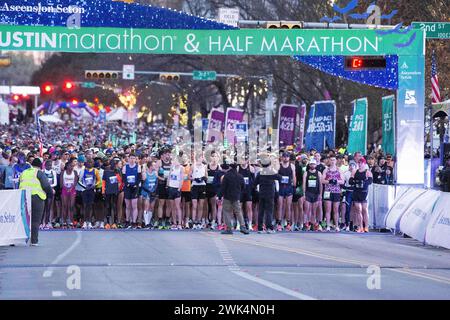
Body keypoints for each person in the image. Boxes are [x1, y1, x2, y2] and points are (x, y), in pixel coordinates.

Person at [19, 158, 53, 246]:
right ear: (41, 166)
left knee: (23, 219)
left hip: (24, 197)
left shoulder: (24, 172)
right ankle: (34, 241)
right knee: (35, 220)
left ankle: (20, 239)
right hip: (36, 197)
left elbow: (19, 183)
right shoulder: (39, 173)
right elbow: (46, 186)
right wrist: (50, 194)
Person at [254, 154, 281, 234]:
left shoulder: (260, 173)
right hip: (270, 194)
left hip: (261, 193)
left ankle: (260, 228)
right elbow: (280, 177)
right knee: (269, 211)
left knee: (261, 211)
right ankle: (269, 227)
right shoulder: (271, 172)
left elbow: (255, 183)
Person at [220, 161, 249, 235]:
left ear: (230, 167)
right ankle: (242, 226)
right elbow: (243, 186)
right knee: (238, 212)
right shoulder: (240, 176)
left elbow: (223, 187)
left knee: (227, 212)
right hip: (236, 197)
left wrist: (219, 195)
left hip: (227, 196)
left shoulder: (226, 176)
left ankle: (229, 228)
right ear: (237, 167)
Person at [322, 156, 345, 232]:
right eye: (331, 160)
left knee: (336, 209)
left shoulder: (339, 170)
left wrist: (336, 181)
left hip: (336, 191)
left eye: (334, 160)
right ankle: (328, 225)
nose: (332, 161)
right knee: (328, 209)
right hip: (328, 191)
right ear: (329, 161)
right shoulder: (326, 170)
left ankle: (336, 226)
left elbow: (342, 181)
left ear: (336, 161)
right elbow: (322, 180)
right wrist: (329, 181)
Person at [350, 158, 373, 233]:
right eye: (358, 163)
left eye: (361, 163)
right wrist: (356, 182)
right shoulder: (354, 171)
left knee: (364, 209)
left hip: (364, 192)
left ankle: (366, 226)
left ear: (364, 164)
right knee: (358, 210)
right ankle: (360, 227)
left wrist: (363, 182)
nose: (359, 164)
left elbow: (370, 181)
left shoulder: (367, 172)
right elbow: (350, 181)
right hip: (356, 192)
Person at [276, 152, 296, 231]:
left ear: (289, 158)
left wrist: (294, 186)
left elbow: (294, 177)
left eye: (287, 157)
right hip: (281, 187)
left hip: (288, 187)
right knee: (280, 206)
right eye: (284, 157)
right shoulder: (278, 166)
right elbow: (275, 176)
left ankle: (288, 223)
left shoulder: (292, 166)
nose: (285, 158)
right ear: (281, 158)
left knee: (288, 206)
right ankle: (279, 223)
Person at [303, 159, 323, 232]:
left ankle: (312, 224)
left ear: (316, 165)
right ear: (309, 165)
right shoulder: (306, 173)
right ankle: (305, 224)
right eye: (311, 164)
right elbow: (304, 183)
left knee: (314, 211)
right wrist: (304, 193)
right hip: (308, 193)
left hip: (316, 193)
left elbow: (321, 185)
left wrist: (320, 194)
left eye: (313, 164)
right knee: (307, 209)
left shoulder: (319, 173)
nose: (312, 165)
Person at [122, 153, 142, 229]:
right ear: (129, 158)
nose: (132, 160)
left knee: (134, 205)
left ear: (135, 159)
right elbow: (124, 178)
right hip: (127, 187)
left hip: (135, 188)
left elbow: (139, 178)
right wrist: (127, 184)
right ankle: (127, 221)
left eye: (134, 158)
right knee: (128, 206)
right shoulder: (125, 167)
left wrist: (135, 184)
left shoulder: (138, 167)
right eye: (131, 158)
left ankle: (134, 222)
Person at [237, 156, 255, 231]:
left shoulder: (251, 168)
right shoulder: (238, 168)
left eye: (245, 159)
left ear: (247, 160)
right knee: (239, 208)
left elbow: (254, 180)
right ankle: (239, 224)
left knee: (249, 207)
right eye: (242, 159)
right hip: (240, 190)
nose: (243, 161)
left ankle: (250, 224)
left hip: (248, 190)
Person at [79, 159, 97, 229]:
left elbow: (97, 180)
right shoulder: (83, 171)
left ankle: (89, 222)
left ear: (93, 164)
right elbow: (79, 181)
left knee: (90, 205)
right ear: (86, 164)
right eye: (88, 162)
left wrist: (94, 185)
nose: (90, 164)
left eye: (91, 162)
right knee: (84, 205)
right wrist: (84, 187)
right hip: (84, 190)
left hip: (92, 190)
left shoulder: (95, 171)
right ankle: (84, 222)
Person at [206, 151, 222, 230]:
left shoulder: (219, 167)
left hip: (214, 189)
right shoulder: (207, 166)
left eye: (216, 156)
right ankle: (204, 221)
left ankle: (213, 221)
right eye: (213, 156)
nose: (214, 158)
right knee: (205, 205)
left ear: (218, 158)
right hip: (206, 187)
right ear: (210, 157)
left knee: (213, 206)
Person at [191, 153, 207, 229]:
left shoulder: (204, 166)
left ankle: (199, 221)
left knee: (201, 205)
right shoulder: (193, 166)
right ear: (198, 158)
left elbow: (206, 176)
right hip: (195, 186)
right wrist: (194, 179)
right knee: (194, 205)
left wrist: (203, 178)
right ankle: (193, 221)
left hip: (202, 186)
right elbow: (189, 176)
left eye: (202, 157)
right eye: (201, 157)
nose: (202, 158)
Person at [102, 160, 120, 229]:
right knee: (107, 206)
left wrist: (118, 189)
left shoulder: (117, 171)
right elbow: (103, 182)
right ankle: (107, 223)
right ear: (110, 164)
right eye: (114, 164)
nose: (115, 166)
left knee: (114, 206)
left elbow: (120, 181)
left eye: (116, 165)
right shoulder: (106, 172)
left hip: (115, 192)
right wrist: (103, 191)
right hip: (108, 191)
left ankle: (115, 223)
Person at [60, 159, 78, 228]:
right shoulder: (63, 172)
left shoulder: (75, 172)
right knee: (64, 206)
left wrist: (70, 188)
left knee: (71, 206)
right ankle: (64, 221)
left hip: (72, 190)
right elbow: (61, 183)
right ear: (67, 166)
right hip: (64, 190)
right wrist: (66, 188)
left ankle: (70, 220)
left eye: (72, 166)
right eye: (70, 166)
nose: (71, 167)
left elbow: (75, 182)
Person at [140, 160, 158, 228]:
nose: (155, 166)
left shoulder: (155, 173)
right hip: (146, 192)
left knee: (151, 207)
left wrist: (154, 190)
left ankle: (149, 221)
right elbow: (143, 184)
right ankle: (146, 223)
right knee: (146, 207)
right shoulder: (145, 173)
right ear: (150, 166)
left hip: (153, 192)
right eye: (153, 165)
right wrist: (149, 190)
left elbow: (156, 182)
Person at [167, 156, 184, 230]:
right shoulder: (172, 167)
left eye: (177, 160)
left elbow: (182, 179)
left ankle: (179, 223)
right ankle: (174, 223)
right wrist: (167, 186)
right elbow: (169, 177)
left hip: (177, 188)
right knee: (172, 207)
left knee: (178, 207)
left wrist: (179, 188)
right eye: (174, 160)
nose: (175, 161)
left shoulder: (181, 168)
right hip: (171, 187)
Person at [41, 160, 57, 229]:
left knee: (48, 207)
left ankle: (47, 222)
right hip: (43, 191)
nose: (49, 166)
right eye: (48, 165)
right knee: (43, 208)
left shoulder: (53, 172)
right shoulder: (42, 172)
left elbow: (55, 183)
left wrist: (49, 187)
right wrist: (45, 187)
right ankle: (41, 223)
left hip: (50, 190)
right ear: (45, 165)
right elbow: (40, 182)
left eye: (50, 165)